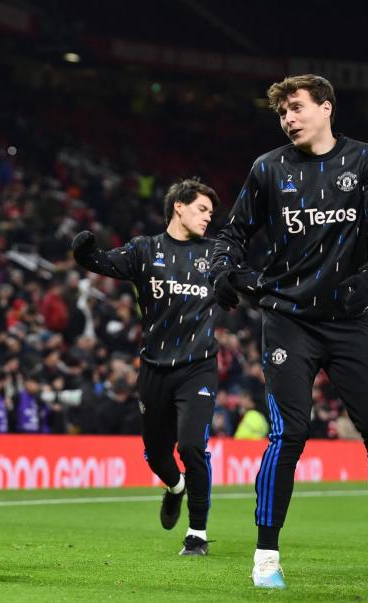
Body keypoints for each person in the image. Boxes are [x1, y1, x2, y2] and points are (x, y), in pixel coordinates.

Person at [209, 74, 368, 589]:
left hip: (349, 321)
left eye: (297, 107)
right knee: (289, 433)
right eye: (283, 113)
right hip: (288, 319)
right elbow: (233, 233)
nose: (289, 119)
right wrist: (224, 271)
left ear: (326, 108)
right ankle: (266, 557)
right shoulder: (268, 168)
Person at [73, 179, 253, 555]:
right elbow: (103, 262)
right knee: (157, 454)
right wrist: (84, 251)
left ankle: (197, 534)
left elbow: (239, 278)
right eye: (202, 209)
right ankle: (175, 488)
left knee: (191, 447)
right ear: (180, 207)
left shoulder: (215, 253)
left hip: (198, 366)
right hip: (154, 367)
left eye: (211, 212)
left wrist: (230, 285)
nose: (208, 217)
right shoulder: (145, 250)